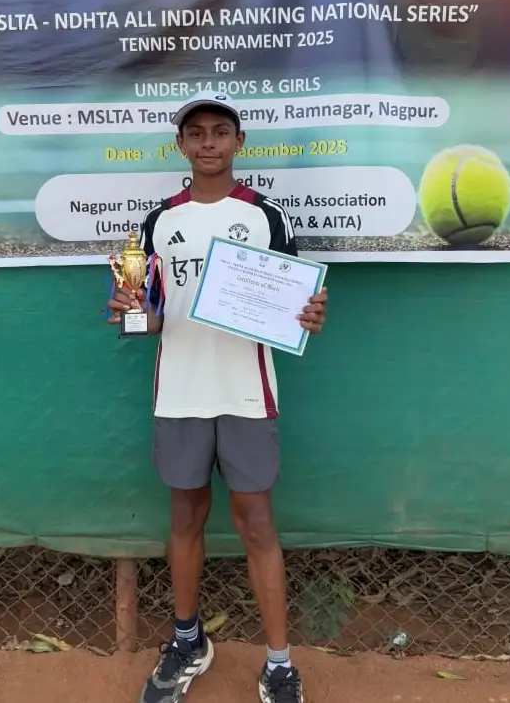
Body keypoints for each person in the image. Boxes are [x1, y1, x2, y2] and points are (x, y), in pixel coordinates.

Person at [107, 90, 328, 703]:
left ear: (238, 143)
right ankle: (187, 641)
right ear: (181, 144)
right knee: (185, 517)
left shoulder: (265, 215)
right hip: (179, 391)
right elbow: (151, 316)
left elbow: (292, 304)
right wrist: (131, 310)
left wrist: (308, 313)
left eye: (220, 132)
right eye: (196, 133)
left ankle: (279, 662)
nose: (208, 143)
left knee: (257, 522)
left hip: (246, 391)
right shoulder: (159, 221)